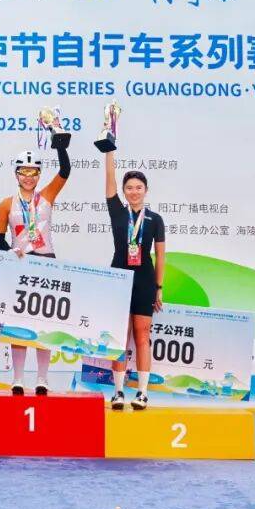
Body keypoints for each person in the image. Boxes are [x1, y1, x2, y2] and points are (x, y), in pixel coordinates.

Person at [0, 143, 71, 395]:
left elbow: (65, 170)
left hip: (46, 263)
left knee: (44, 323)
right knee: (18, 323)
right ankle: (17, 378)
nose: (28, 177)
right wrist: (10, 250)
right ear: (16, 174)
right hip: (20, 265)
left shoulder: (46, 196)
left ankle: (42, 379)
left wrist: (59, 142)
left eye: (33, 172)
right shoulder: (6, 204)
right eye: (23, 172)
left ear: (39, 175)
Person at [104, 150, 166, 410]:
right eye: (129, 187)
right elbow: (109, 178)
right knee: (120, 336)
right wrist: (109, 151)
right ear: (124, 191)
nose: (134, 191)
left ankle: (142, 393)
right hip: (118, 279)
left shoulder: (155, 219)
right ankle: (118, 392)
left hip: (144, 281)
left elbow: (160, 256)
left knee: (143, 335)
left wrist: (159, 288)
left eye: (139, 187)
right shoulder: (118, 212)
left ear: (146, 190)